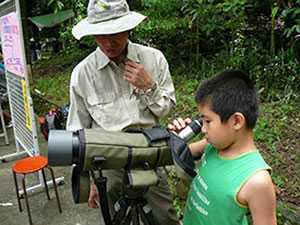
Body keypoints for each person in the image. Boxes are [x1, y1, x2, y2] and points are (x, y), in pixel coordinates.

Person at [66, 0, 179, 224]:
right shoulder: (83, 73)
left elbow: (166, 108)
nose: (109, 42)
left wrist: (149, 86)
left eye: (115, 32)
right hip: (108, 160)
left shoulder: (153, 59)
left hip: (150, 153)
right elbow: (77, 130)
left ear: (128, 28)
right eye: (100, 34)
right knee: (118, 219)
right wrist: (87, 179)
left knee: (164, 217)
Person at [168, 70, 277, 225]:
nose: (203, 129)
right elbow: (177, 154)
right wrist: (175, 137)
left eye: (208, 121)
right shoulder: (211, 146)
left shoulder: (257, 181)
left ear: (236, 121)